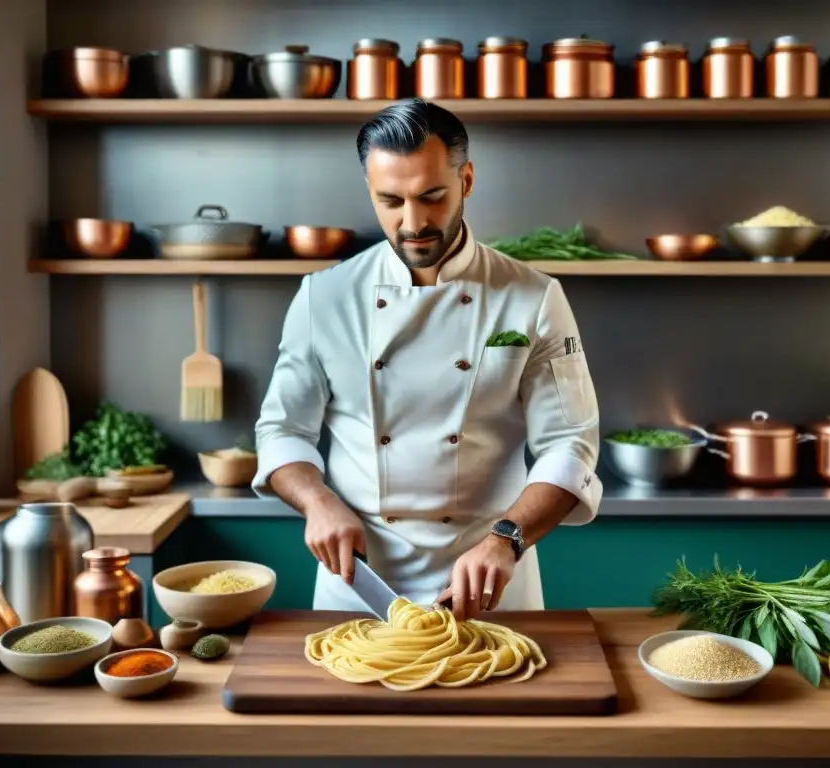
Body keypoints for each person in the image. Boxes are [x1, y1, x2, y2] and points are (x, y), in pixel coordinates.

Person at [252, 98, 602, 620]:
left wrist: (507, 539)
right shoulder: (322, 297)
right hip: (359, 582)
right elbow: (282, 430)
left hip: (489, 581)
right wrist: (317, 502)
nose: (412, 222)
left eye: (431, 196)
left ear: (466, 179)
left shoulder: (532, 297)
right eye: (390, 200)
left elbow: (569, 445)